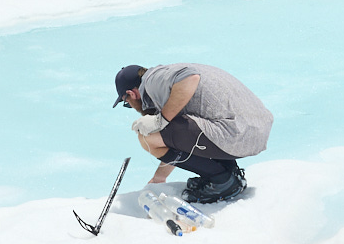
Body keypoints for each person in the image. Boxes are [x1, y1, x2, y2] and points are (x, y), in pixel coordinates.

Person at [113, 63, 273, 202]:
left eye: (127, 103)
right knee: (172, 126)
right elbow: (177, 138)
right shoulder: (164, 77)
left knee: (146, 137)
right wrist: (160, 177)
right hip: (251, 131)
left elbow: (190, 78)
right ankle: (227, 171)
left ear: (131, 94)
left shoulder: (153, 81)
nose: (132, 106)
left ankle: (222, 180)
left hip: (237, 133)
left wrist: (159, 120)